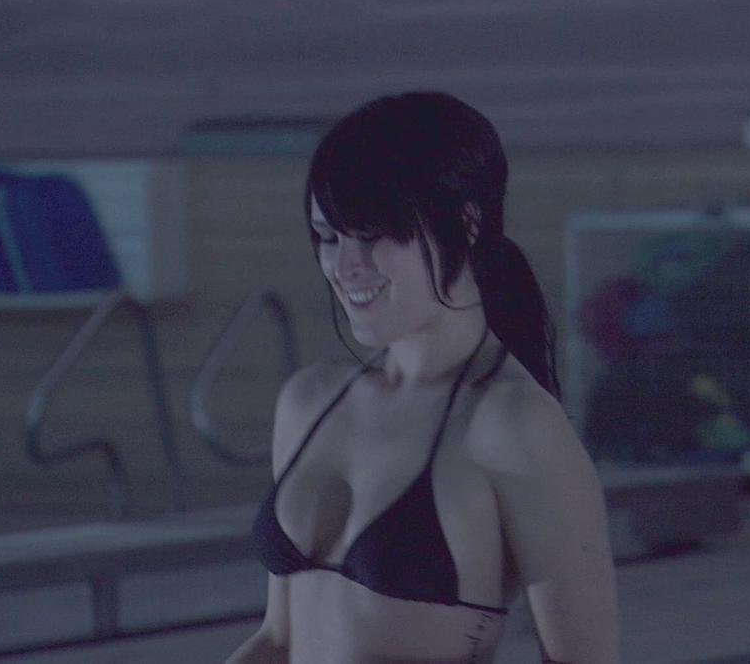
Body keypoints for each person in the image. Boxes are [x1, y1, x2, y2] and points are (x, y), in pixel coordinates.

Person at [225, 91, 619, 663]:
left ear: (466, 223)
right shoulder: (309, 402)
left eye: (372, 235)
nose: (344, 266)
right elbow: (278, 640)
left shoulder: (515, 424)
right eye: (329, 238)